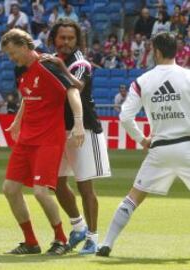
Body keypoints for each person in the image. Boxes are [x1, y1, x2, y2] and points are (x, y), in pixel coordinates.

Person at [97, 32, 190, 257]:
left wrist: (142, 140)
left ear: (156, 51)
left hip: (159, 149)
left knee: (133, 198)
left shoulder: (142, 81)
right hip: (188, 146)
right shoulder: (188, 76)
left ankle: (106, 244)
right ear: (175, 51)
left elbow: (125, 117)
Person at [1, 28, 85, 255]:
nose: (12, 58)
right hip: (27, 137)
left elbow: (72, 91)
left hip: (49, 139)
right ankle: (30, 242)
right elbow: (27, 97)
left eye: (12, 53)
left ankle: (60, 239)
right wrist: (18, 121)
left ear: (24, 46)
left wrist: (78, 122)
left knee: (40, 192)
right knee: (9, 188)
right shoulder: (20, 69)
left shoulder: (48, 65)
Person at [38, 19, 111, 254]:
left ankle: (93, 237)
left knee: (85, 186)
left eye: (71, 38)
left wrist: (59, 65)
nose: (67, 42)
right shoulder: (50, 60)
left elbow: (76, 87)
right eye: (62, 38)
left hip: (84, 129)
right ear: (54, 39)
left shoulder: (81, 62)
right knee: (57, 183)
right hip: (59, 130)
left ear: (77, 40)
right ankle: (78, 226)